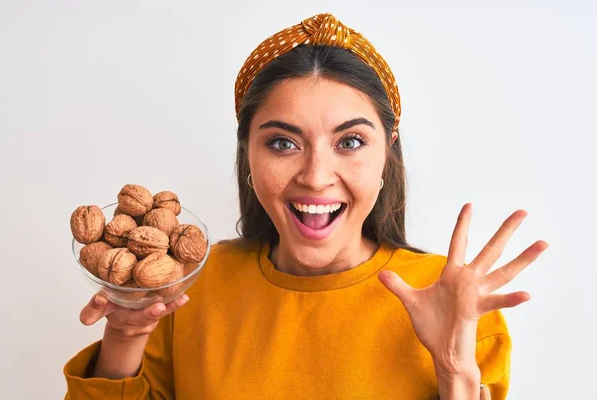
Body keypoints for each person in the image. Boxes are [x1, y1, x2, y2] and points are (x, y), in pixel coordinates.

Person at [63, 12, 547, 400]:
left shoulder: (458, 304)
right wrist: (126, 333)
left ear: (388, 151)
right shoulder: (190, 287)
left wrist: (455, 371)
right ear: (247, 151)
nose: (316, 176)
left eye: (351, 141)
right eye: (282, 143)